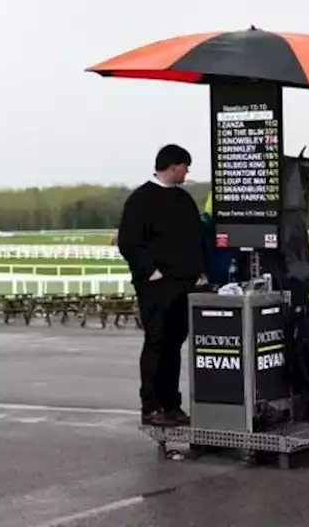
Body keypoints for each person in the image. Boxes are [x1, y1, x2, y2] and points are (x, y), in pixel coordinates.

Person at [117, 144, 207, 427]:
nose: (188, 172)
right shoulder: (140, 200)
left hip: (185, 284)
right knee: (157, 343)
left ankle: (171, 404)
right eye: (185, 166)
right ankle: (151, 406)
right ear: (173, 166)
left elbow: (196, 237)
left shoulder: (183, 199)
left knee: (174, 345)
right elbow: (129, 242)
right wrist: (151, 273)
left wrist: (200, 271)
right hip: (157, 287)